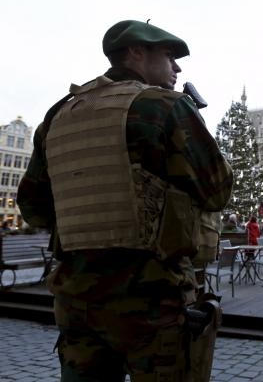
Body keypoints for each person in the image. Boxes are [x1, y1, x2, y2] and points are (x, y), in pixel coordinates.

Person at [17, 20, 233, 382]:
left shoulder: (58, 115)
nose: (177, 68)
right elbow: (218, 190)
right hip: (153, 301)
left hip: (78, 301)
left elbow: (33, 208)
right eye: (169, 56)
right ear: (136, 53)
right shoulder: (165, 107)